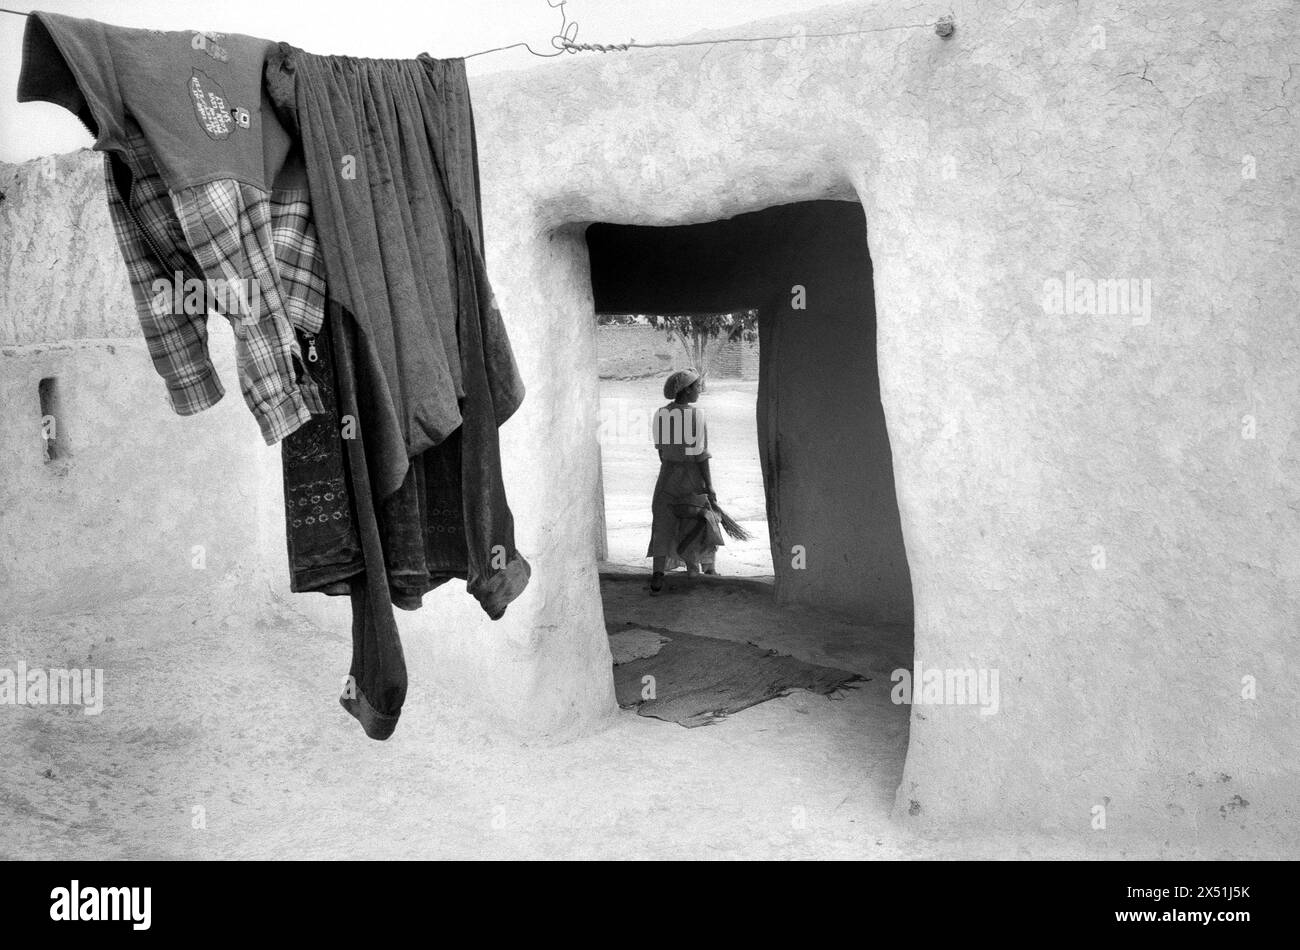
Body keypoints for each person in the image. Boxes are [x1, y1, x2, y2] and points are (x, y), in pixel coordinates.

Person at [646, 369, 720, 593]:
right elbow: (701, 455)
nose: (699, 390)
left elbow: (660, 451)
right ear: (686, 391)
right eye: (696, 387)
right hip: (692, 476)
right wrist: (709, 486)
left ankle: (658, 572)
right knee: (699, 520)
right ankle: (699, 567)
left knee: (663, 522)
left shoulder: (661, 414)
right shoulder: (696, 416)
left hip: (667, 475)